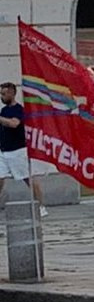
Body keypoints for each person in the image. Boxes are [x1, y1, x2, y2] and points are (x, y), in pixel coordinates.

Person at [0, 82, 47, 218]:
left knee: (29, 179)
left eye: (4, 94)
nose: (1, 97)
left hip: (17, 151)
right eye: (0, 94)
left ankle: (41, 206)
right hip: (3, 151)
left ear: (12, 94)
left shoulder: (19, 109)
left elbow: (14, 123)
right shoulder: (3, 110)